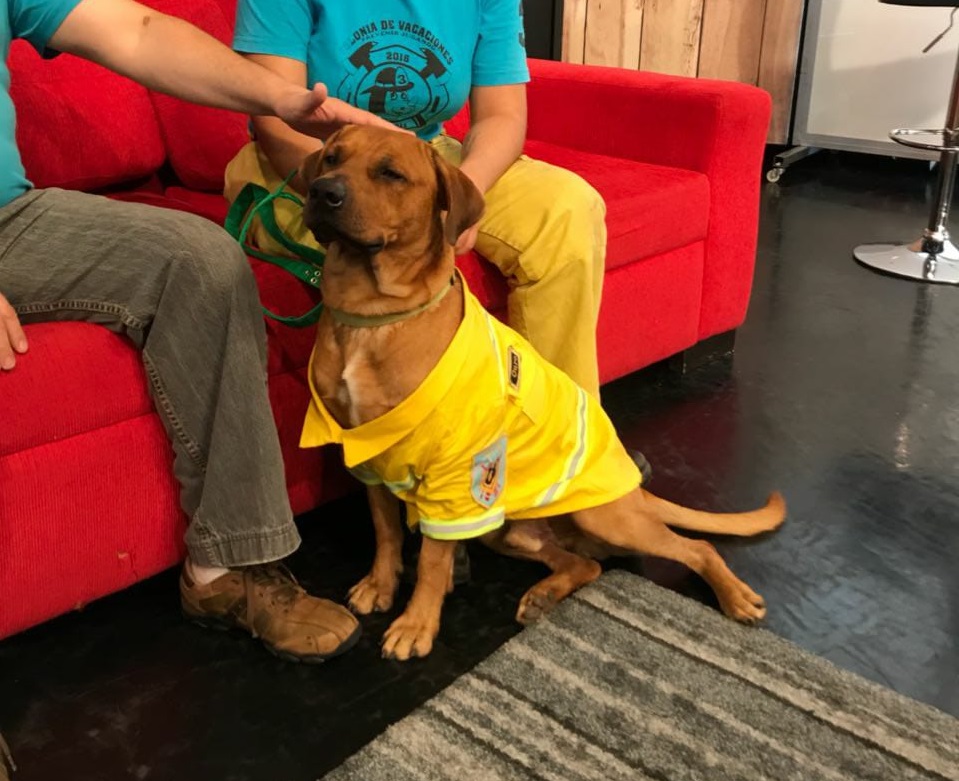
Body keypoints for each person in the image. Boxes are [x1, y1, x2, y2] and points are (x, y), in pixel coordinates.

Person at [0, 0, 406, 666]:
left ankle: (227, 570)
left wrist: (280, 97)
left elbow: (138, 31)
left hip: (10, 219)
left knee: (200, 257)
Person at [225, 0, 613, 401]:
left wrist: (466, 194)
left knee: (566, 210)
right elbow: (276, 116)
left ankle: (566, 435)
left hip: (423, 158)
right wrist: (366, 202)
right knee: (365, 251)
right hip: (314, 160)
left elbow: (502, 116)